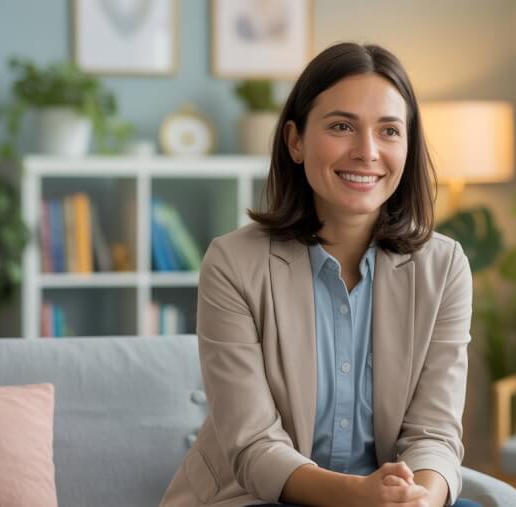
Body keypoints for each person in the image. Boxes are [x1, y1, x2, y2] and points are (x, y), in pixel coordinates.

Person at [160, 42, 476, 507]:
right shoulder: (233, 263)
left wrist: (420, 500)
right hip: (255, 497)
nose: (367, 152)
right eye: (342, 126)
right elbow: (254, 448)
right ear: (295, 140)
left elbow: (434, 432)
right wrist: (360, 495)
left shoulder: (444, 267)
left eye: (389, 131)